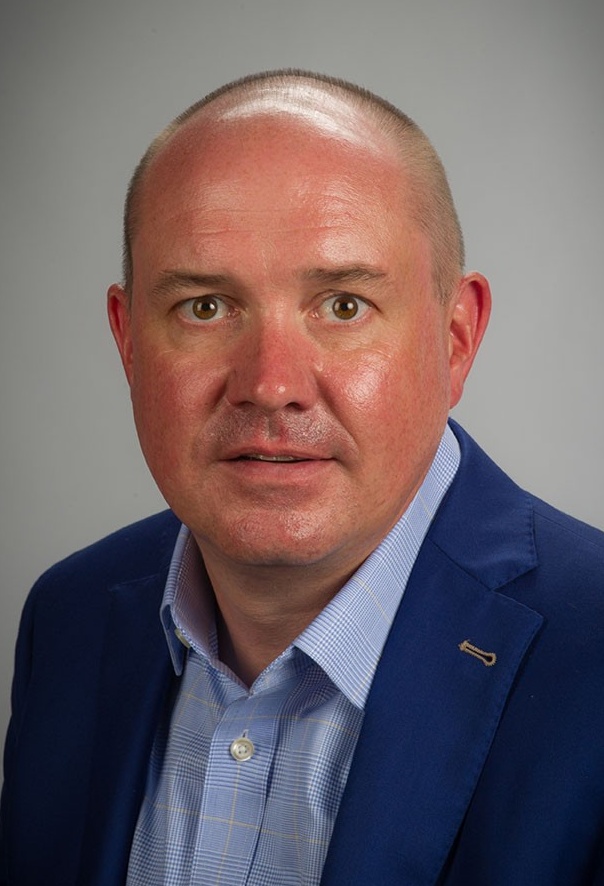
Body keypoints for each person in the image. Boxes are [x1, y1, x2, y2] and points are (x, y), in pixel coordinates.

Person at [1, 69, 603, 886]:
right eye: (205, 307)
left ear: (455, 338)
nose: (270, 383)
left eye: (343, 304)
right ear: (128, 342)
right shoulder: (67, 620)